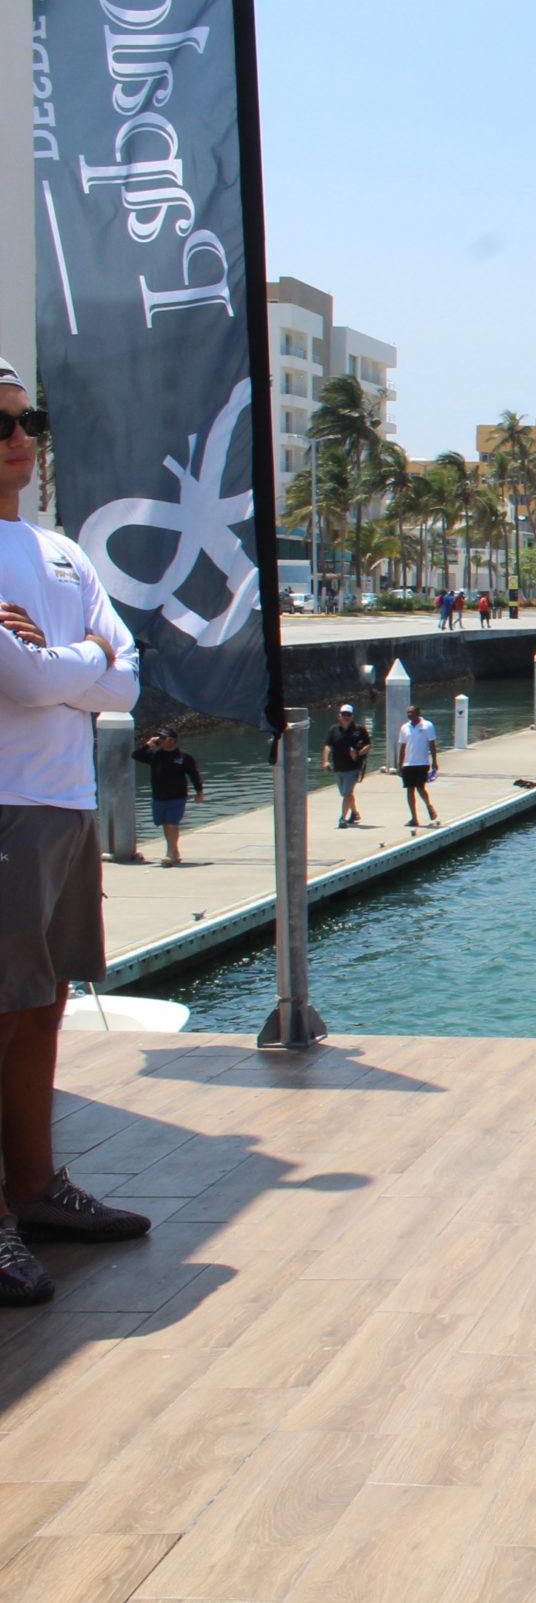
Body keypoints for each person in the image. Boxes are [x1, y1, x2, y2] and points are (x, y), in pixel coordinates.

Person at [0, 357, 153, 1305]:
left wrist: (66, 655)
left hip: (61, 803)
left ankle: (36, 1186)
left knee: (46, 1001)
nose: (19, 437)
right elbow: (18, 685)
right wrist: (78, 664)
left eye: (28, 420)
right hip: (7, 803)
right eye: (0, 423)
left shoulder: (60, 551)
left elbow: (126, 677)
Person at [131, 727, 205, 866]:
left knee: (172, 824)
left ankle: (169, 854)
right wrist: (148, 744)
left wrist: (199, 792)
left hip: (177, 796)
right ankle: (175, 852)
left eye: (163, 738)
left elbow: (194, 775)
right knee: (165, 824)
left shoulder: (183, 757)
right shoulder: (155, 755)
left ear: (172, 741)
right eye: (159, 738)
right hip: (158, 796)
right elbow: (136, 755)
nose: (160, 740)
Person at [325, 702, 372, 828]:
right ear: (339, 715)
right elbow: (327, 746)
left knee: (347, 793)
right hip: (338, 767)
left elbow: (368, 744)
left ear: (352, 716)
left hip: (353, 767)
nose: (346, 716)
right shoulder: (333, 729)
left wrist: (358, 753)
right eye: (344, 714)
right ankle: (355, 813)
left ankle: (342, 819)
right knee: (346, 794)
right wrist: (325, 761)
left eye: (348, 714)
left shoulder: (359, 730)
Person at [394, 702, 440, 828]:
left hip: (422, 763)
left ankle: (429, 805)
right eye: (408, 712)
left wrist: (434, 761)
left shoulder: (427, 726)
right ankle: (414, 818)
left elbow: (432, 745)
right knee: (409, 790)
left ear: (418, 713)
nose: (409, 714)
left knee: (420, 787)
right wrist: (400, 765)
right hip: (408, 764)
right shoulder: (404, 727)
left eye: (412, 712)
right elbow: (402, 747)